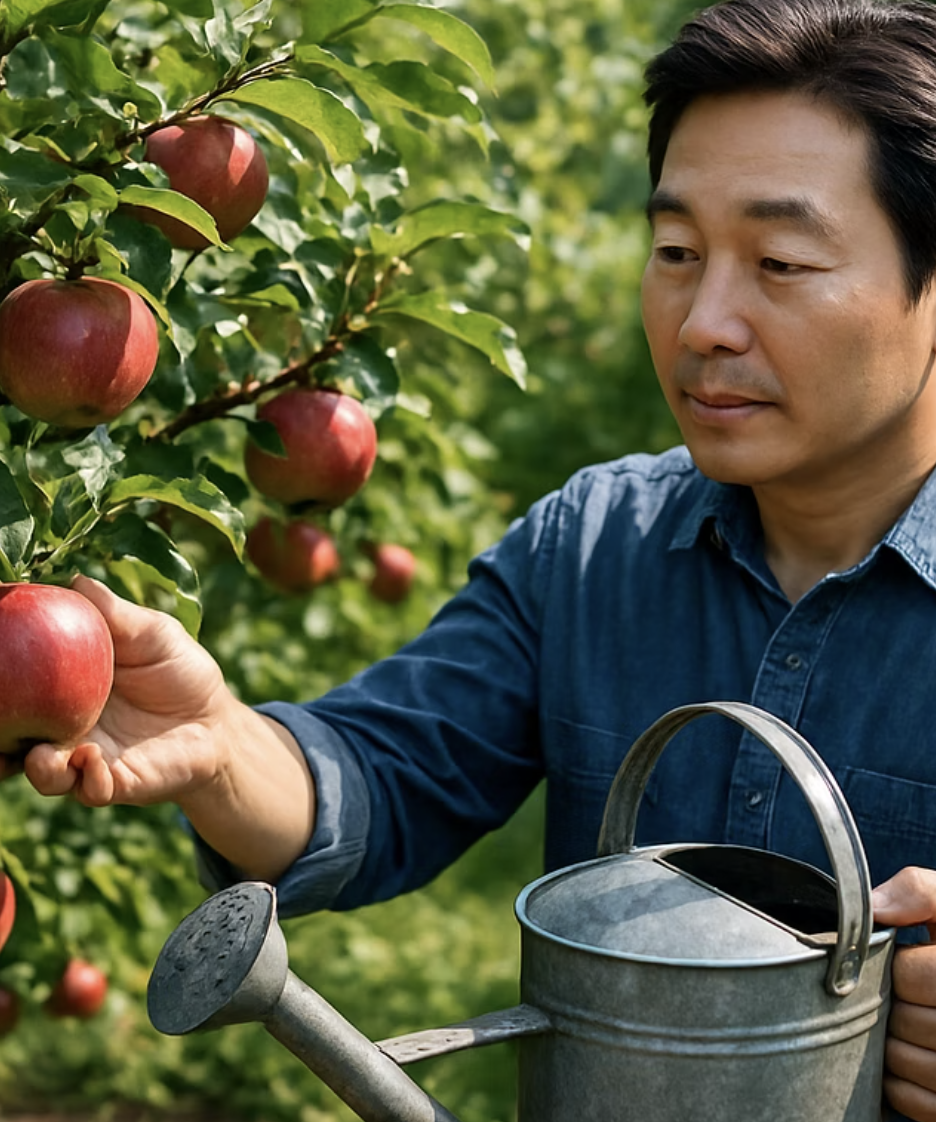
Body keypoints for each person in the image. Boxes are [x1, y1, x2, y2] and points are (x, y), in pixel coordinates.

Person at [4, 0, 936, 1115]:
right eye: (677, 253)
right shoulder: (594, 546)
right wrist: (217, 747)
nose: (703, 323)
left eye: (781, 261)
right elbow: (388, 775)